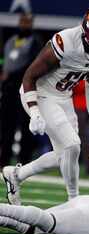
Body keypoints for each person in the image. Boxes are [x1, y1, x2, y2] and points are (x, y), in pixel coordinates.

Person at [2, 6, 89, 205]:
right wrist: (35, 112)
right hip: (40, 94)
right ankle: (74, 201)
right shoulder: (65, 42)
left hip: (63, 96)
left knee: (64, 155)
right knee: (72, 145)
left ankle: (16, 175)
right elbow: (29, 77)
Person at [0, 13, 42, 167]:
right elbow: (3, 59)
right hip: (8, 89)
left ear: (31, 23)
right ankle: (3, 159)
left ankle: (24, 161)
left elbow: (33, 65)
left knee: (25, 126)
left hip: (24, 88)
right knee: (6, 125)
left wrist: (12, 74)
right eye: (22, 21)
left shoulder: (35, 41)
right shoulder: (11, 40)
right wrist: (4, 71)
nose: (24, 24)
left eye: (27, 22)